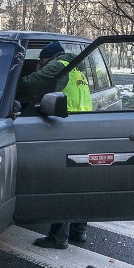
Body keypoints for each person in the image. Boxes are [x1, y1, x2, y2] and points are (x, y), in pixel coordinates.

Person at [19, 41, 92, 250]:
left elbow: (30, 83)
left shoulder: (58, 65)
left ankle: (59, 237)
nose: (40, 64)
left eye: (41, 61)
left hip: (67, 130)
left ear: (46, 58)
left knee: (65, 185)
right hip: (85, 128)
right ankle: (79, 230)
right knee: (79, 184)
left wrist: (11, 84)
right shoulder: (77, 68)